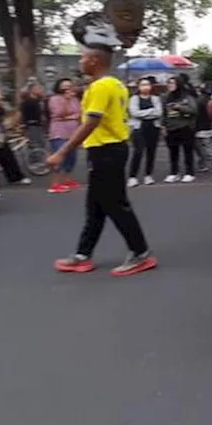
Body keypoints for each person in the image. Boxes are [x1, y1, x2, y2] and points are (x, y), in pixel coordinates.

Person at [48, 46, 157, 277]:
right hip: (108, 150)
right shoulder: (115, 84)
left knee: (116, 205)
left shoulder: (100, 86)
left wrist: (64, 151)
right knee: (96, 207)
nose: (80, 61)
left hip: (106, 151)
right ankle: (82, 254)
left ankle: (140, 252)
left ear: (95, 60)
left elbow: (91, 122)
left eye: (83, 57)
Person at [47, 78, 82, 194]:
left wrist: (72, 116)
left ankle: (67, 180)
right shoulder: (54, 99)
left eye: (69, 86)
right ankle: (55, 183)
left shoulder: (75, 99)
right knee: (59, 156)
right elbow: (58, 114)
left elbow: (79, 112)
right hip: (59, 132)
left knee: (71, 157)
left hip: (73, 132)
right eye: (65, 86)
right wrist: (66, 102)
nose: (68, 89)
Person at [127, 77, 162, 186]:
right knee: (138, 151)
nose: (145, 87)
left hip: (153, 128)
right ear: (138, 87)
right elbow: (134, 113)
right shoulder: (134, 98)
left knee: (151, 152)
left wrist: (144, 113)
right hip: (139, 128)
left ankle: (148, 175)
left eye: (147, 84)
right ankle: (132, 177)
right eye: (142, 85)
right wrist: (151, 111)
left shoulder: (156, 99)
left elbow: (159, 113)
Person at [162, 76, 197, 182]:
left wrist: (179, 107)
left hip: (185, 127)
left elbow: (193, 110)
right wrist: (163, 125)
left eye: (173, 83)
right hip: (171, 128)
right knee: (173, 152)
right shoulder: (166, 97)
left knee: (187, 151)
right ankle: (174, 172)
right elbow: (164, 113)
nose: (170, 85)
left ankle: (189, 172)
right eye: (169, 83)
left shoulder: (187, 97)